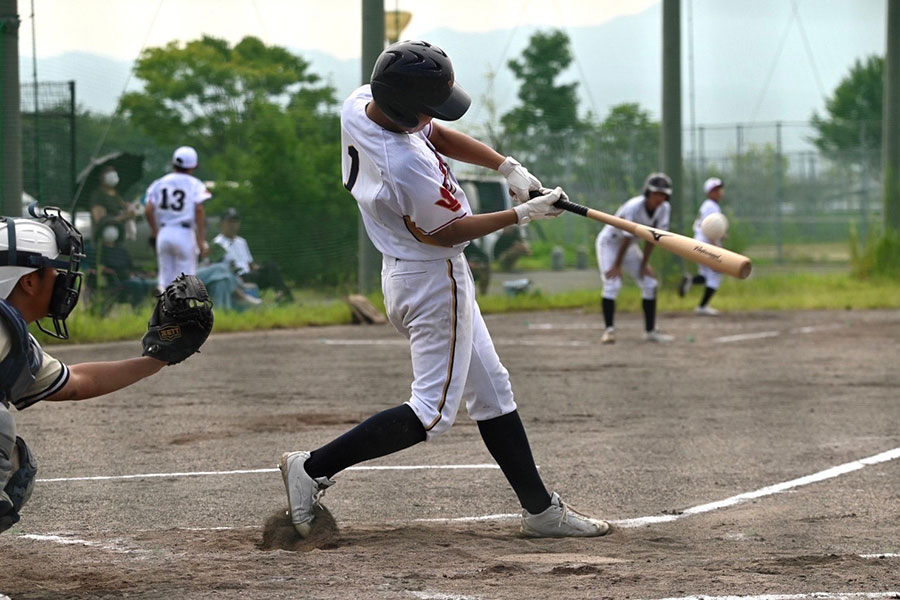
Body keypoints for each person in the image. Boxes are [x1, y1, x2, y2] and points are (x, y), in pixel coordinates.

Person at [278, 40, 610, 540]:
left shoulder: (361, 104)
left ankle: (541, 512)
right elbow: (446, 232)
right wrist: (522, 214)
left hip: (408, 271)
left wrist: (506, 168)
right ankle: (313, 468)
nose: (432, 117)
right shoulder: (404, 165)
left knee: (493, 391)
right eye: (427, 108)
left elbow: (436, 131)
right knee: (430, 413)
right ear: (404, 109)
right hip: (434, 280)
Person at [0, 209, 169, 533]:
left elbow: (76, 382)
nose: (64, 280)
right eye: (55, 270)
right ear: (30, 281)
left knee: (17, 467)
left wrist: (158, 358)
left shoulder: (13, 335)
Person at [595, 173, 674, 344]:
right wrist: (617, 265)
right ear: (648, 193)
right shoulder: (634, 207)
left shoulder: (664, 208)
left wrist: (644, 265)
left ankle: (650, 331)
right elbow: (626, 237)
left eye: (663, 194)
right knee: (612, 283)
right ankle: (609, 331)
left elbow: (654, 238)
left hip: (629, 247)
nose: (659, 198)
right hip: (610, 242)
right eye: (656, 194)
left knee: (650, 283)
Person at [144, 146, 211, 291]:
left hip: (164, 232)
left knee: (166, 280)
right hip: (184, 233)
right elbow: (199, 209)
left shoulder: (159, 183)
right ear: (193, 166)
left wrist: (155, 231)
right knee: (185, 282)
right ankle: (183, 311)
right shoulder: (194, 183)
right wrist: (201, 241)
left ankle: (164, 308)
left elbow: (148, 209)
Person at [211, 208, 294, 302]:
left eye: (235, 222)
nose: (232, 225)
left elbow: (250, 264)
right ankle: (284, 295)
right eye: (229, 222)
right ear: (222, 223)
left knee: (271, 265)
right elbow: (215, 268)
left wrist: (263, 269)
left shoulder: (241, 242)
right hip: (236, 278)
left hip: (249, 275)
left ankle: (281, 293)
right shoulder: (217, 243)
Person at [680, 177, 726, 315]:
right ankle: (702, 307)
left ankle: (690, 281)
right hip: (706, 243)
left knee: (706, 275)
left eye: (719, 189)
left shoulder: (707, 205)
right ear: (709, 192)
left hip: (699, 242)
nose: (719, 192)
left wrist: (721, 234)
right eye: (715, 190)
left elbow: (709, 227)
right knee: (716, 273)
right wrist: (716, 247)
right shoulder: (712, 206)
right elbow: (709, 229)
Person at [89, 166, 137, 245]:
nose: (113, 174)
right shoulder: (98, 195)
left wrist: (130, 208)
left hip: (119, 237)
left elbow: (123, 207)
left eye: (113, 171)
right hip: (103, 239)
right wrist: (124, 216)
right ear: (102, 176)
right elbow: (100, 220)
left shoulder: (116, 194)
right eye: (108, 172)